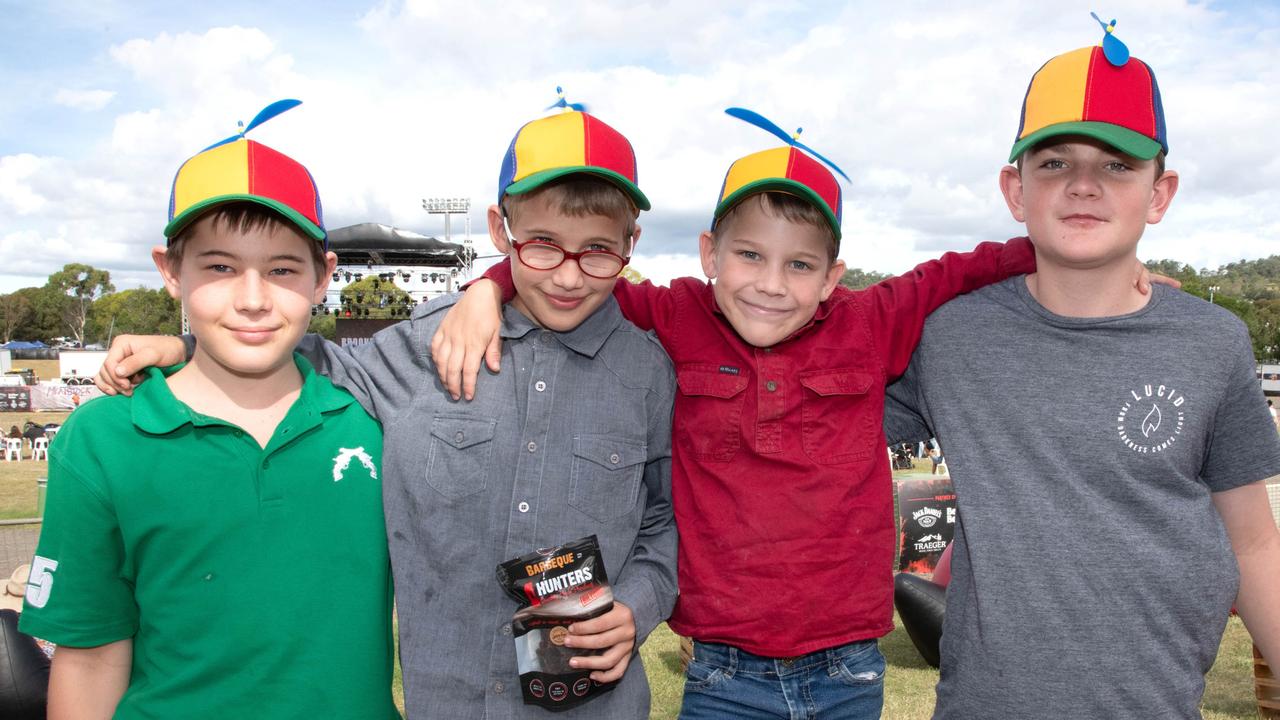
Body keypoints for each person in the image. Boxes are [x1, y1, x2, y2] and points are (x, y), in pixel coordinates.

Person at [429, 107, 1164, 718]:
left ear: (832, 275)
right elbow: (568, 270)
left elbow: (967, 266)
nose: (771, 286)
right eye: (749, 256)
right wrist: (487, 288)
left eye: (800, 265)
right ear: (710, 252)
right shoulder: (676, 313)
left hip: (848, 672)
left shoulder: (873, 321)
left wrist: (1111, 269)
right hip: (721, 674)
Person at [95, 105, 678, 719]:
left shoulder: (648, 374)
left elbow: (666, 524)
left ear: (631, 244)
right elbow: (307, 355)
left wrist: (636, 607)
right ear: (500, 232)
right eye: (542, 246)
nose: (568, 275)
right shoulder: (422, 348)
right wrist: (184, 347)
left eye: (597, 251)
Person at [883, 24, 1280, 719]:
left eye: (1119, 165)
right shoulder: (949, 337)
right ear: (1016, 189)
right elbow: (818, 378)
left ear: (1160, 193)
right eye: (1055, 163)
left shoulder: (1213, 342)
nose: (1085, 186)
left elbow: (1252, 541)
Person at [21, 117, 398, 718]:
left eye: (281, 269)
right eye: (220, 267)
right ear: (171, 272)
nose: (252, 298)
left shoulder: (375, 420)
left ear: (324, 276)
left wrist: (492, 287)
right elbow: (91, 658)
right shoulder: (101, 439)